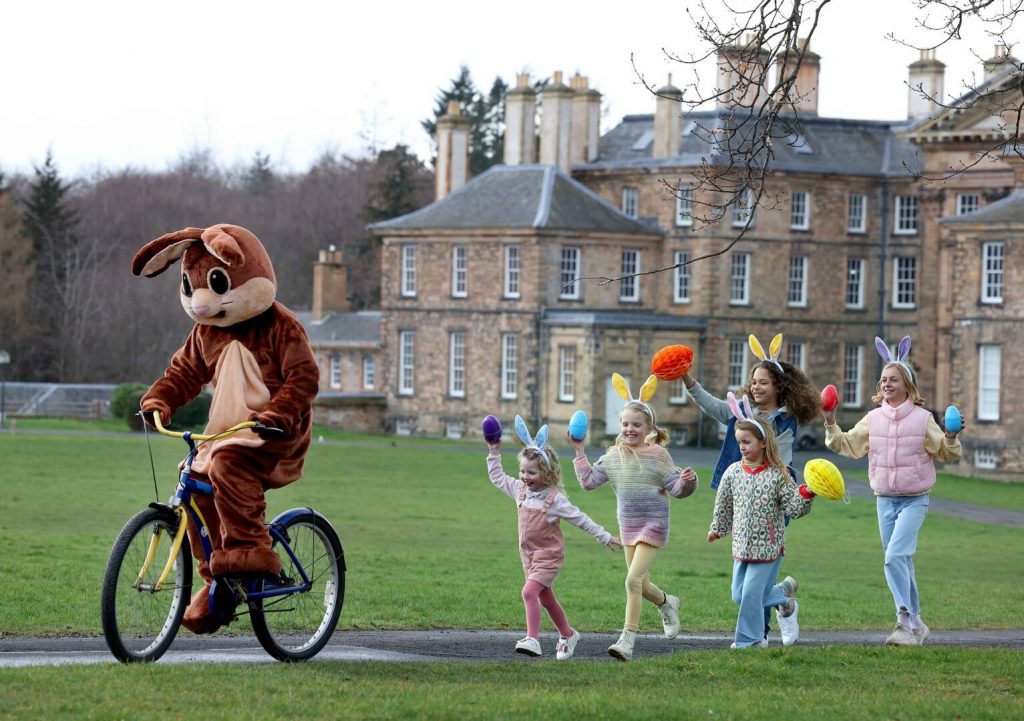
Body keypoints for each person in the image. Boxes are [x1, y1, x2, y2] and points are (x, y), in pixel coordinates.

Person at [823, 336, 963, 646]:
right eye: (884, 379)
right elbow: (847, 444)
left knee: (894, 557)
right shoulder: (873, 419)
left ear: (907, 385)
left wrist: (951, 436)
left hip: (915, 500)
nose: (887, 384)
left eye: (893, 379)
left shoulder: (923, 419)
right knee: (901, 560)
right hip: (884, 500)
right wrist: (830, 422)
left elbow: (946, 452)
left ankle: (903, 622)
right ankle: (918, 623)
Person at [682, 333, 819, 646]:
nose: (756, 387)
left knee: (758, 579)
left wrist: (775, 479)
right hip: (744, 494)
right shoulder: (739, 412)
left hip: (774, 496)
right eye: (753, 381)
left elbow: (779, 462)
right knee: (748, 587)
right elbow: (712, 406)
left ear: (779, 388)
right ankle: (784, 598)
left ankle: (756, 636)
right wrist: (687, 379)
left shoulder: (786, 421)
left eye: (763, 383)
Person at [571, 376, 698, 661]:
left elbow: (677, 489)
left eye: (636, 425)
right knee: (640, 583)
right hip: (628, 527)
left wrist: (689, 481)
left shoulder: (659, 455)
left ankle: (627, 640)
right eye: (626, 424)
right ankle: (667, 603)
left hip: (653, 525)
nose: (630, 429)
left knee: (631, 582)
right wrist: (579, 451)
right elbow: (589, 482)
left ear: (649, 428)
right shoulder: (613, 456)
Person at [486, 422, 622, 660]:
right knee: (545, 598)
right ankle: (568, 634)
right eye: (523, 471)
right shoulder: (520, 490)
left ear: (546, 473)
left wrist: (606, 537)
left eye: (532, 472)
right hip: (528, 556)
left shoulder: (555, 500)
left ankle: (532, 639)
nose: (525, 477)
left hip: (549, 555)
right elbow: (497, 477)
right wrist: (494, 450)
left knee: (529, 592)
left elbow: (581, 519)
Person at [707, 396, 815, 649]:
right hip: (741, 546)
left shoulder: (779, 474)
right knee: (739, 595)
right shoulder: (733, 472)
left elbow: (793, 508)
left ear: (763, 442)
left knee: (751, 595)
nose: (742, 447)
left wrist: (807, 493)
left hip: (769, 546)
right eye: (739, 442)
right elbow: (724, 504)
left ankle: (749, 640)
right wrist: (718, 529)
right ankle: (784, 597)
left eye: (747, 442)